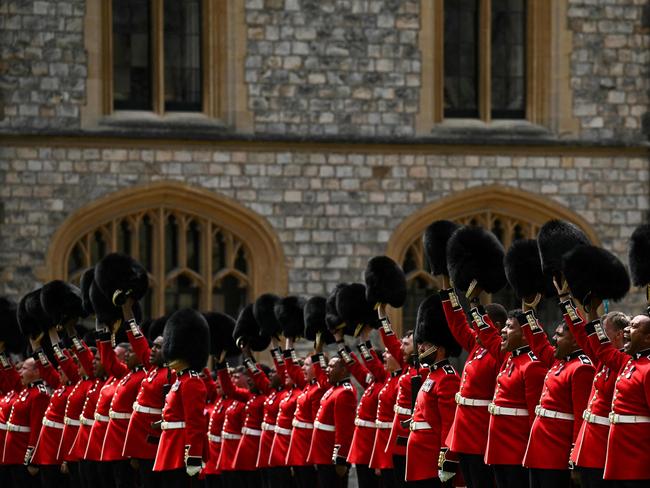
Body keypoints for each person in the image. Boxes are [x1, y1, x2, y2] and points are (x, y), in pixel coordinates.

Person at [520, 309, 595, 488]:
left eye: (559, 335)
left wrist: (574, 457)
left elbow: (580, 417)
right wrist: (528, 312)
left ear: (575, 341)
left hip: (556, 452)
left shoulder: (581, 368)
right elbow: (538, 341)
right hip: (539, 449)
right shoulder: (559, 361)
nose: (554, 339)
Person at [473, 307, 547, 488]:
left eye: (509, 327)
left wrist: (532, 453)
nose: (503, 331)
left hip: (516, 448)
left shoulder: (532, 365)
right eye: (504, 326)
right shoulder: (509, 357)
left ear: (524, 335)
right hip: (499, 445)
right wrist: (475, 305)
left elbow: (533, 415)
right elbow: (488, 334)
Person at [440, 285, 505, 488]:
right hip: (463, 430)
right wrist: (447, 289)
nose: (475, 328)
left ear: (495, 325)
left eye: (480, 323)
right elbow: (458, 323)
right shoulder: (477, 345)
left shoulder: (500, 353)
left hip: (480, 431)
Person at [405, 294, 461, 487]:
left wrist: (446, 459)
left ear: (441, 348)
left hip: (430, 459)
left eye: (426, 344)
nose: (420, 347)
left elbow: (449, 423)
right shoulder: (431, 375)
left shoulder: (448, 377)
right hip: (419, 457)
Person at [588, 312, 650, 486]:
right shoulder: (628, 362)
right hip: (618, 453)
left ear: (647, 338)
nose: (627, 330)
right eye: (628, 326)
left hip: (638, 458)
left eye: (635, 327)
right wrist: (592, 315)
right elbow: (603, 348)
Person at [153, 309, 209, 488]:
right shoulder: (180, 380)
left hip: (179, 451)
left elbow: (195, 423)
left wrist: (192, 456)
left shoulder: (192, 381)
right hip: (169, 447)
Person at [306, 353, 357, 488]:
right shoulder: (334, 388)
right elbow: (321, 375)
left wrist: (339, 460)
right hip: (323, 455)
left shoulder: (345, 393)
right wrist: (318, 352)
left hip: (331, 457)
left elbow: (344, 431)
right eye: (327, 366)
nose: (327, 370)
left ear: (343, 370)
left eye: (331, 367)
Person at [1, 357, 50, 488]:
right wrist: (2, 355)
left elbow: (37, 429)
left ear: (37, 372)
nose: (20, 372)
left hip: (22, 455)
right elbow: (10, 375)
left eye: (24, 369)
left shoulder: (39, 394)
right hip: (12, 454)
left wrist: (31, 460)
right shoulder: (25, 390)